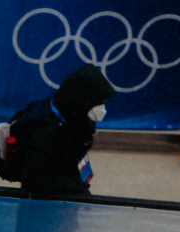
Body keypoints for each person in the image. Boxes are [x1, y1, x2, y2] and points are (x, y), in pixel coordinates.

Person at [10, 63, 111, 200]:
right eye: (99, 103)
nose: (102, 108)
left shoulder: (78, 113)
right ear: (84, 99)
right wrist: (75, 185)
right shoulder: (43, 131)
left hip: (65, 179)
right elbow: (35, 180)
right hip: (41, 199)